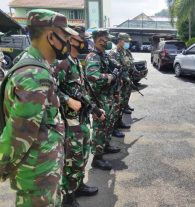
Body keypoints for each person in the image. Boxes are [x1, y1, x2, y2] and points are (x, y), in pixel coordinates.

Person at [0, 9, 77, 206]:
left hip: (41, 169)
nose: (69, 42)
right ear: (51, 36)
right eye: (66, 36)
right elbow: (19, 134)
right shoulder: (35, 74)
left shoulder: (33, 62)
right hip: (37, 174)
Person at [55, 26, 105, 206]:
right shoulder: (63, 64)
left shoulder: (78, 63)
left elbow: (83, 92)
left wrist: (96, 110)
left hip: (82, 119)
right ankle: (68, 197)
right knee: (71, 159)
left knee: (83, 156)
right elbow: (51, 88)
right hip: (70, 122)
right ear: (71, 40)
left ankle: (78, 185)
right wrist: (67, 99)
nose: (85, 42)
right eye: (81, 38)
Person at [85, 29, 121, 171]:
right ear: (99, 40)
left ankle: (105, 146)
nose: (108, 41)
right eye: (106, 39)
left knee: (108, 124)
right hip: (99, 98)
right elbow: (93, 77)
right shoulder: (93, 56)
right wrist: (110, 77)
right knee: (100, 128)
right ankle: (97, 159)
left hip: (108, 97)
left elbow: (116, 66)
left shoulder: (103, 55)